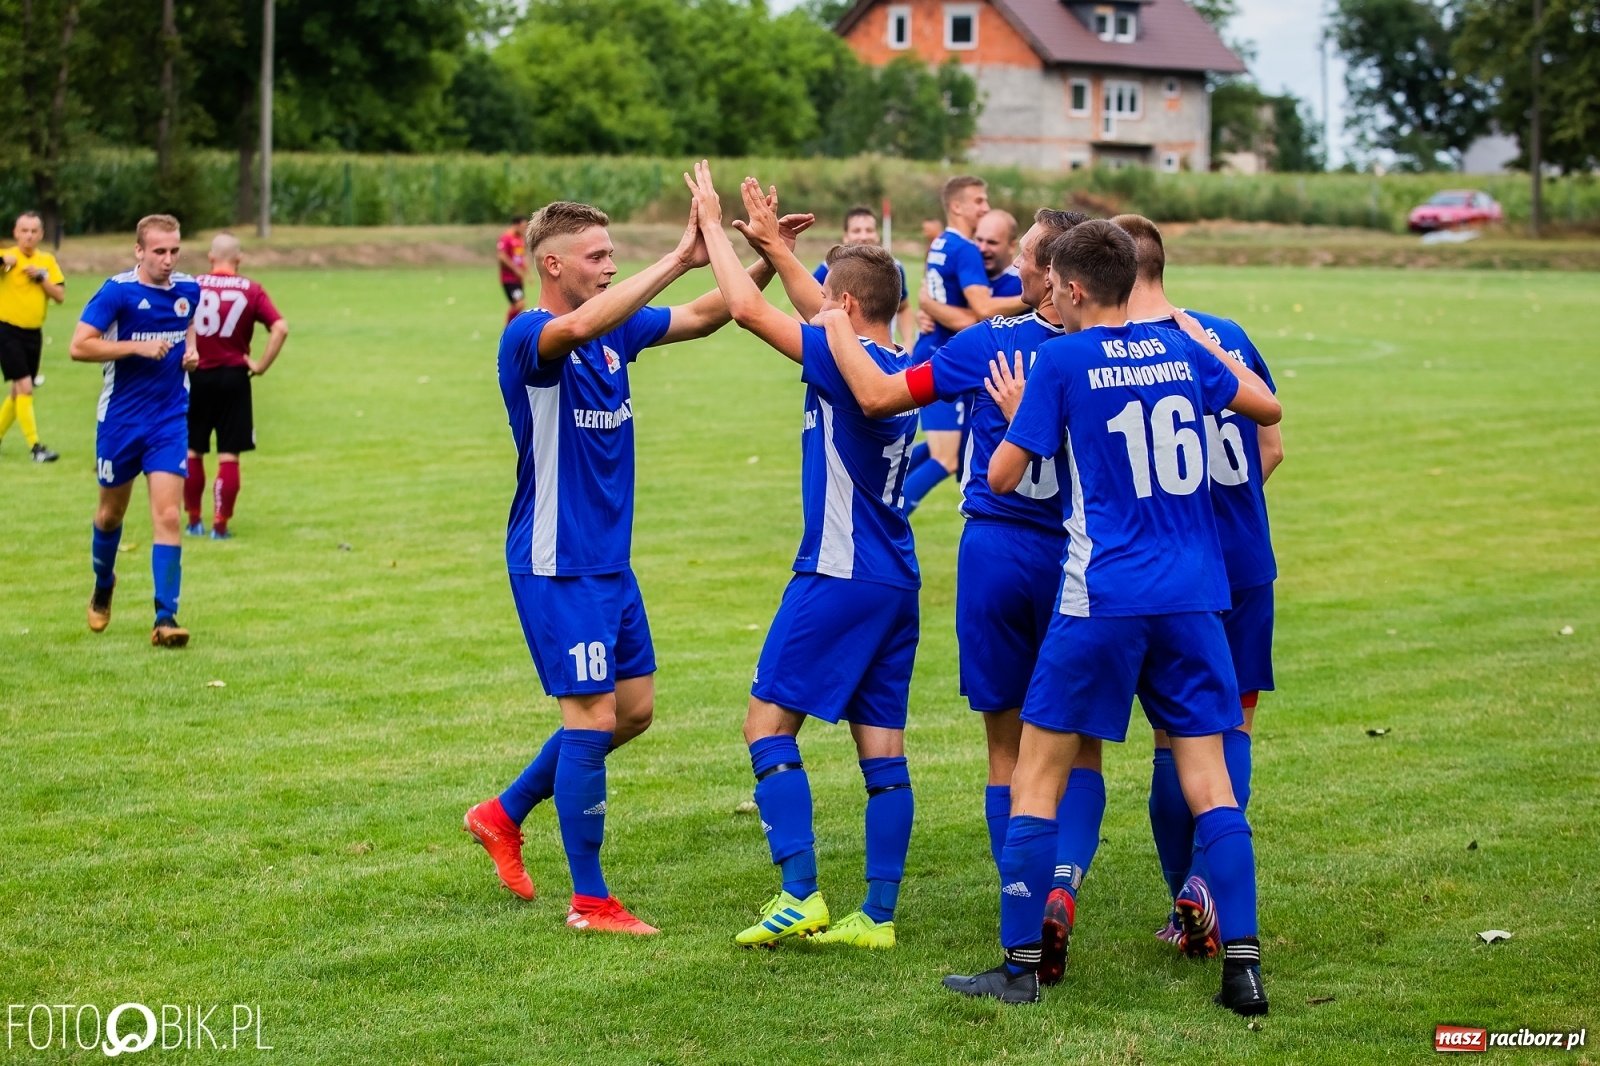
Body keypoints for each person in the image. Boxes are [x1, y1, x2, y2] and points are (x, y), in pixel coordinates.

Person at [940, 221, 1281, 1014]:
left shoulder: (1058, 357)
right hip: (1194, 597)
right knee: (1211, 781)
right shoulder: (1183, 348)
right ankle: (1243, 968)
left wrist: (1025, 414)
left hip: (1103, 595)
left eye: (1053, 282)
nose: (1047, 293)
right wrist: (1203, 345)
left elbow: (998, 475)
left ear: (1078, 289)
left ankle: (1020, 966)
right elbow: (1265, 405)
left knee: (1038, 770)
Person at [462, 189, 815, 936]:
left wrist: (760, 258)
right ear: (552, 264)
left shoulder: (616, 333)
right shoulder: (530, 334)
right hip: (557, 563)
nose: (608, 264)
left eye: (611, 254)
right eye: (597, 256)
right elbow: (583, 321)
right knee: (590, 718)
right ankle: (590, 903)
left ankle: (502, 813)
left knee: (633, 712)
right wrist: (678, 256)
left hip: (609, 566)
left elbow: (706, 314)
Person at [822, 208, 1103, 983]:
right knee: (1080, 745)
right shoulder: (1108, 355)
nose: (1010, 267)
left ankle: (1019, 899)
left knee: (1006, 747)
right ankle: (1063, 891)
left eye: (1022, 257)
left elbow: (880, 395)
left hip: (997, 554)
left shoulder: (990, 343)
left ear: (1046, 275)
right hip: (1081, 561)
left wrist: (832, 320)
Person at [687, 163, 920, 950]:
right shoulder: (895, 365)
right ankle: (877, 918)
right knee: (881, 747)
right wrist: (781, 248)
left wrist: (715, 227)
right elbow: (807, 303)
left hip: (838, 571)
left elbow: (749, 309)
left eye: (826, 297)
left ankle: (799, 892)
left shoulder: (840, 361)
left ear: (845, 308)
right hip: (894, 578)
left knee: (766, 725)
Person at [1109, 214, 1284, 958]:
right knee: (1233, 727)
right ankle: (1206, 893)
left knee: (1172, 739)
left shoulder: (1123, 352)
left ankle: (1186, 891)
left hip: (1172, 571)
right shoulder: (1227, 333)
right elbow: (1272, 442)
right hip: (1244, 558)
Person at [69, 214, 201, 648]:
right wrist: (135, 346)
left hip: (168, 420)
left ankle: (165, 617)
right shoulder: (117, 293)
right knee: (111, 514)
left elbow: (189, 326)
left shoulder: (188, 290)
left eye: (174, 251)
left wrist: (192, 351)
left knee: (167, 516)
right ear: (139, 250)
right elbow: (79, 345)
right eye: (159, 251)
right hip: (121, 421)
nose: (168, 260)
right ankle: (104, 582)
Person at [902, 178, 1026, 515]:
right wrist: (1037, 299)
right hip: (945, 362)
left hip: (933, 352)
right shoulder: (966, 250)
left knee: (949, 450)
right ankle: (890, 517)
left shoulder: (941, 243)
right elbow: (981, 313)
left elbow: (939, 297)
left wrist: (930, 306)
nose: (984, 207)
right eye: (979, 201)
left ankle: (880, 483)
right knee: (946, 456)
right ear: (957, 206)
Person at [185, 233, 289, 540]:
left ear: (210, 257)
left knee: (192, 450)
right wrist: (260, 365)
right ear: (239, 259)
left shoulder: (191, 285)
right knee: (229, 454)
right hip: (234, 378)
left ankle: (193, 520)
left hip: (196, 375)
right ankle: (220, 524)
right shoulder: (251, 289)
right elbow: (280, 328)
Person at [0, 211, 65, 462]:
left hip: (33, 334)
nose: (28, 235)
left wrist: (41, 278)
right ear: (15, 233)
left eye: (33, 231)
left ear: (41, 234)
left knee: (18, 393)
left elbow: (59, 296)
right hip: (6, 330)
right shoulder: (8, 257)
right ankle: (35, 447)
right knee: (25, 386)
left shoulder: (46, 261)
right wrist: (4, 261)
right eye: (23, 230)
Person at [811, 205, 917, 346]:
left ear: (877, 235)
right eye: (856, 231)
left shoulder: (892, 268)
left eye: (869, 230)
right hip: (840, 355)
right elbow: (804, 311)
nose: (863, 236)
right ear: (846, 236)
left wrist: (908, 342)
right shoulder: (827, 270)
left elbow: (903, 307)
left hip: (883, 356)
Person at [498, 214, 529, 323]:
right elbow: (501, 256)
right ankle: (508, 329)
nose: (524, 230)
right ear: (516, 225)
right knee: (520, 303)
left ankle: (511, 328)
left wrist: (528, 273)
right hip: (509, 278)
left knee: (517, 304)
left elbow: (522, 256)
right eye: (523, 227)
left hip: (518, 278)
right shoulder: (506, 238)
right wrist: (516, 269)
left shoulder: (519, 239)